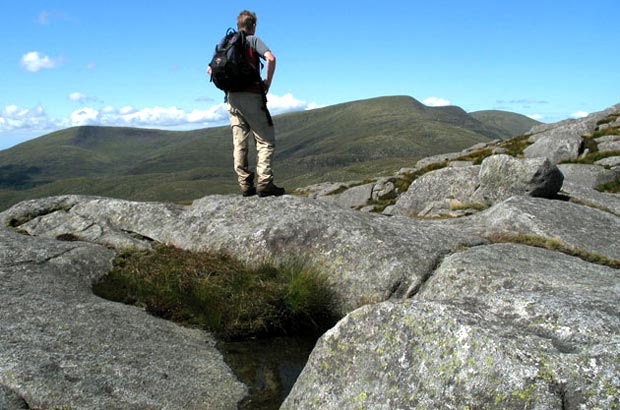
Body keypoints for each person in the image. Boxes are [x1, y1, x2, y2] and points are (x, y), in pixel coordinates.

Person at [210, 10, 285, 197]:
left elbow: (209, 69)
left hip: (232, 98)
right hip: (251, 95)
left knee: (239, 141)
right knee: (265, 139)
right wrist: (267, 82)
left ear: (238, 25)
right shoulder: (252, 40)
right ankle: (265, 183)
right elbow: (271, 58)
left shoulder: (224, 43)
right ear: (253, 25)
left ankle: (245, 185)